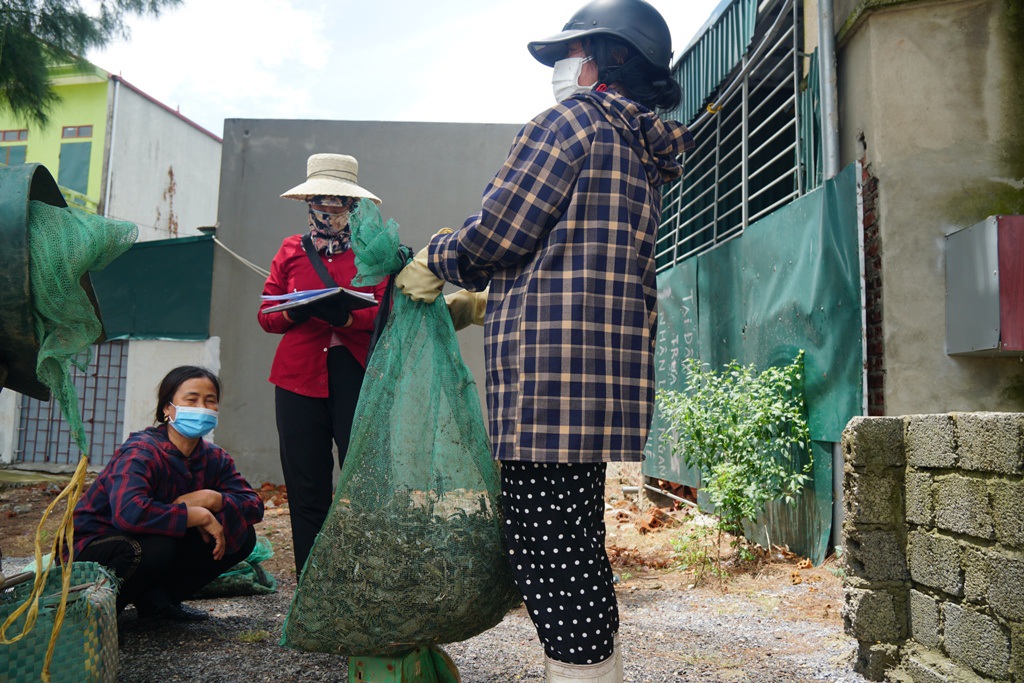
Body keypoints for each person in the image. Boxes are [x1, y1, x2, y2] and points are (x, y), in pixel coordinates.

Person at [395, 1, 694, 680]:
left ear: (606, 58)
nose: (564, 66)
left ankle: (580, 672)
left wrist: (436, 260)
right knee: (577, 540)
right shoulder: (639, 145)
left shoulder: (570, 123)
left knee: (546, 547)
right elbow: (574, 251)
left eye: (573, 51)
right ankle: (599, 670)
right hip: (603, 374)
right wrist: (489, 298)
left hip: (546, 376)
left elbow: (498, 230)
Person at [258, 153, 388, 578]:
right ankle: (313, 583)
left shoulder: (374, 250)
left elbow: (386, 307)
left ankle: (361, 576)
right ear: (308, 202)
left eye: (338, 203)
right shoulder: (290, 251)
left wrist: (349, 317)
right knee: (306, 483)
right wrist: (294, 312)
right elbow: (267, 314)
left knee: (361, 479)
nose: (328, 210)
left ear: (353, 206)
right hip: (297, 378)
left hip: (354, 372)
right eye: (320, 201)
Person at [73, 366, 264, 622]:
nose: (201, 407)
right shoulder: (141, 451)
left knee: (241, 534)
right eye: (191, 399)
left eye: (210, 401)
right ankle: (95, 616)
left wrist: (212, 499)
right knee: (156, 546)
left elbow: (253, 506)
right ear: (167, 408)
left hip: (147, 541)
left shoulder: (214, 457)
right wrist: (197, 516)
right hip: (93, 546)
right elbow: (129, 514)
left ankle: (157, 603)